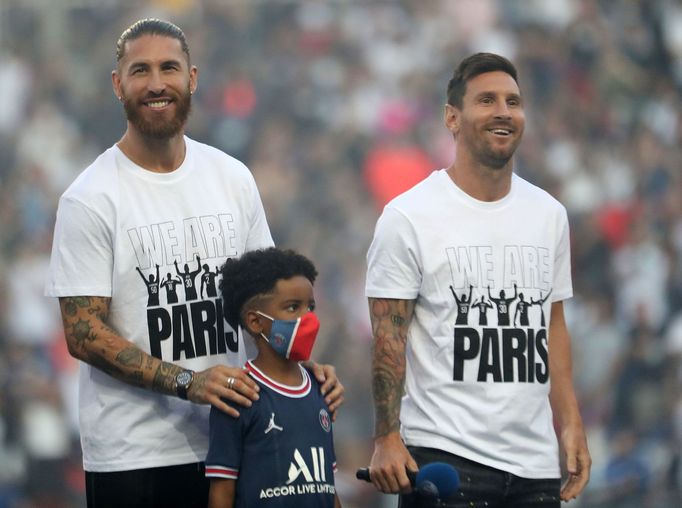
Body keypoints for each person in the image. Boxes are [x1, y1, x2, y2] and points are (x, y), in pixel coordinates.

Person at [44, 18, 343, 508]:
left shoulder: (232, 177)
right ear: (118, 85)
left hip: (240, 438)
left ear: (193, 78)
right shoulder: (90, 198)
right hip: (136, 456)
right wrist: (188, 383)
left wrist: (304, 373)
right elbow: (82, 333)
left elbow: (268, 301)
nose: (157, 83)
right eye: (140, 70)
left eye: (169, 68)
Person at [365, 53, 591, 507]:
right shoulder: (408, 216)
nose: (504, 111)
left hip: (535, 466)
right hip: (446, 460)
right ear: (452, 117)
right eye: (487, 100)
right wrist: (387, 436)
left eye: (513, 101)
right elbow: (388, 337)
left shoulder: (549, 215)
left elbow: (553, 325)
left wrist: (570, 423)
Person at [206, 247, 342, 508]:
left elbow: (327, 485)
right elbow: (222, 493)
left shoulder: (321, 388)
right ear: (256, 322)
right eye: (293, 307)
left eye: (310, 307)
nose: (308, 319)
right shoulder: (239, 395)